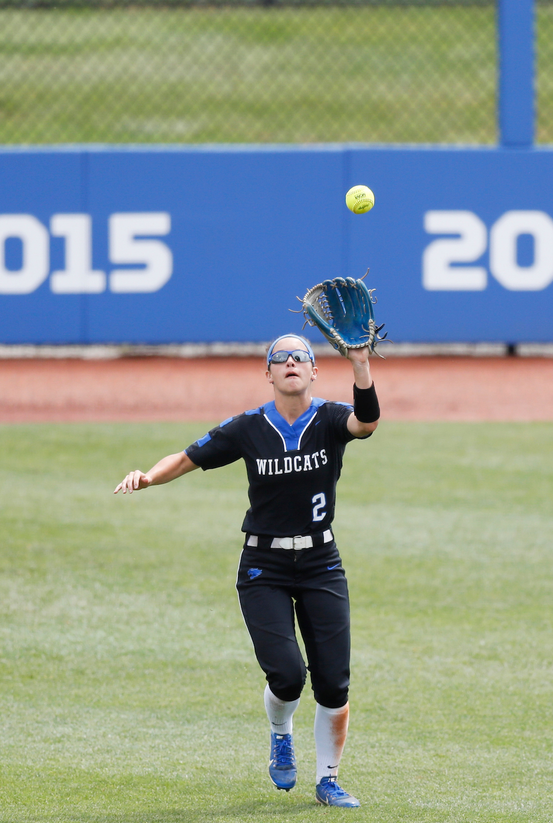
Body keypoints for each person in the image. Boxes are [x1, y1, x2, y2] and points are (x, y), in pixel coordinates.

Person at [113, 333, 380, 808]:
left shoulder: (332, 418)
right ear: (269, 374)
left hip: (321, 562)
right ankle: (281, 733)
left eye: (301, 357)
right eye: (281, 359)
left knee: (334, 681)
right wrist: (149, 476)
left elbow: (367, 423)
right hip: (264, 565)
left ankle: (328, 780)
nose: (291, 363)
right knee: (288, 675)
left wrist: (360, 363)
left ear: (315, 371)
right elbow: (188, 457)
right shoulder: (249, 427)